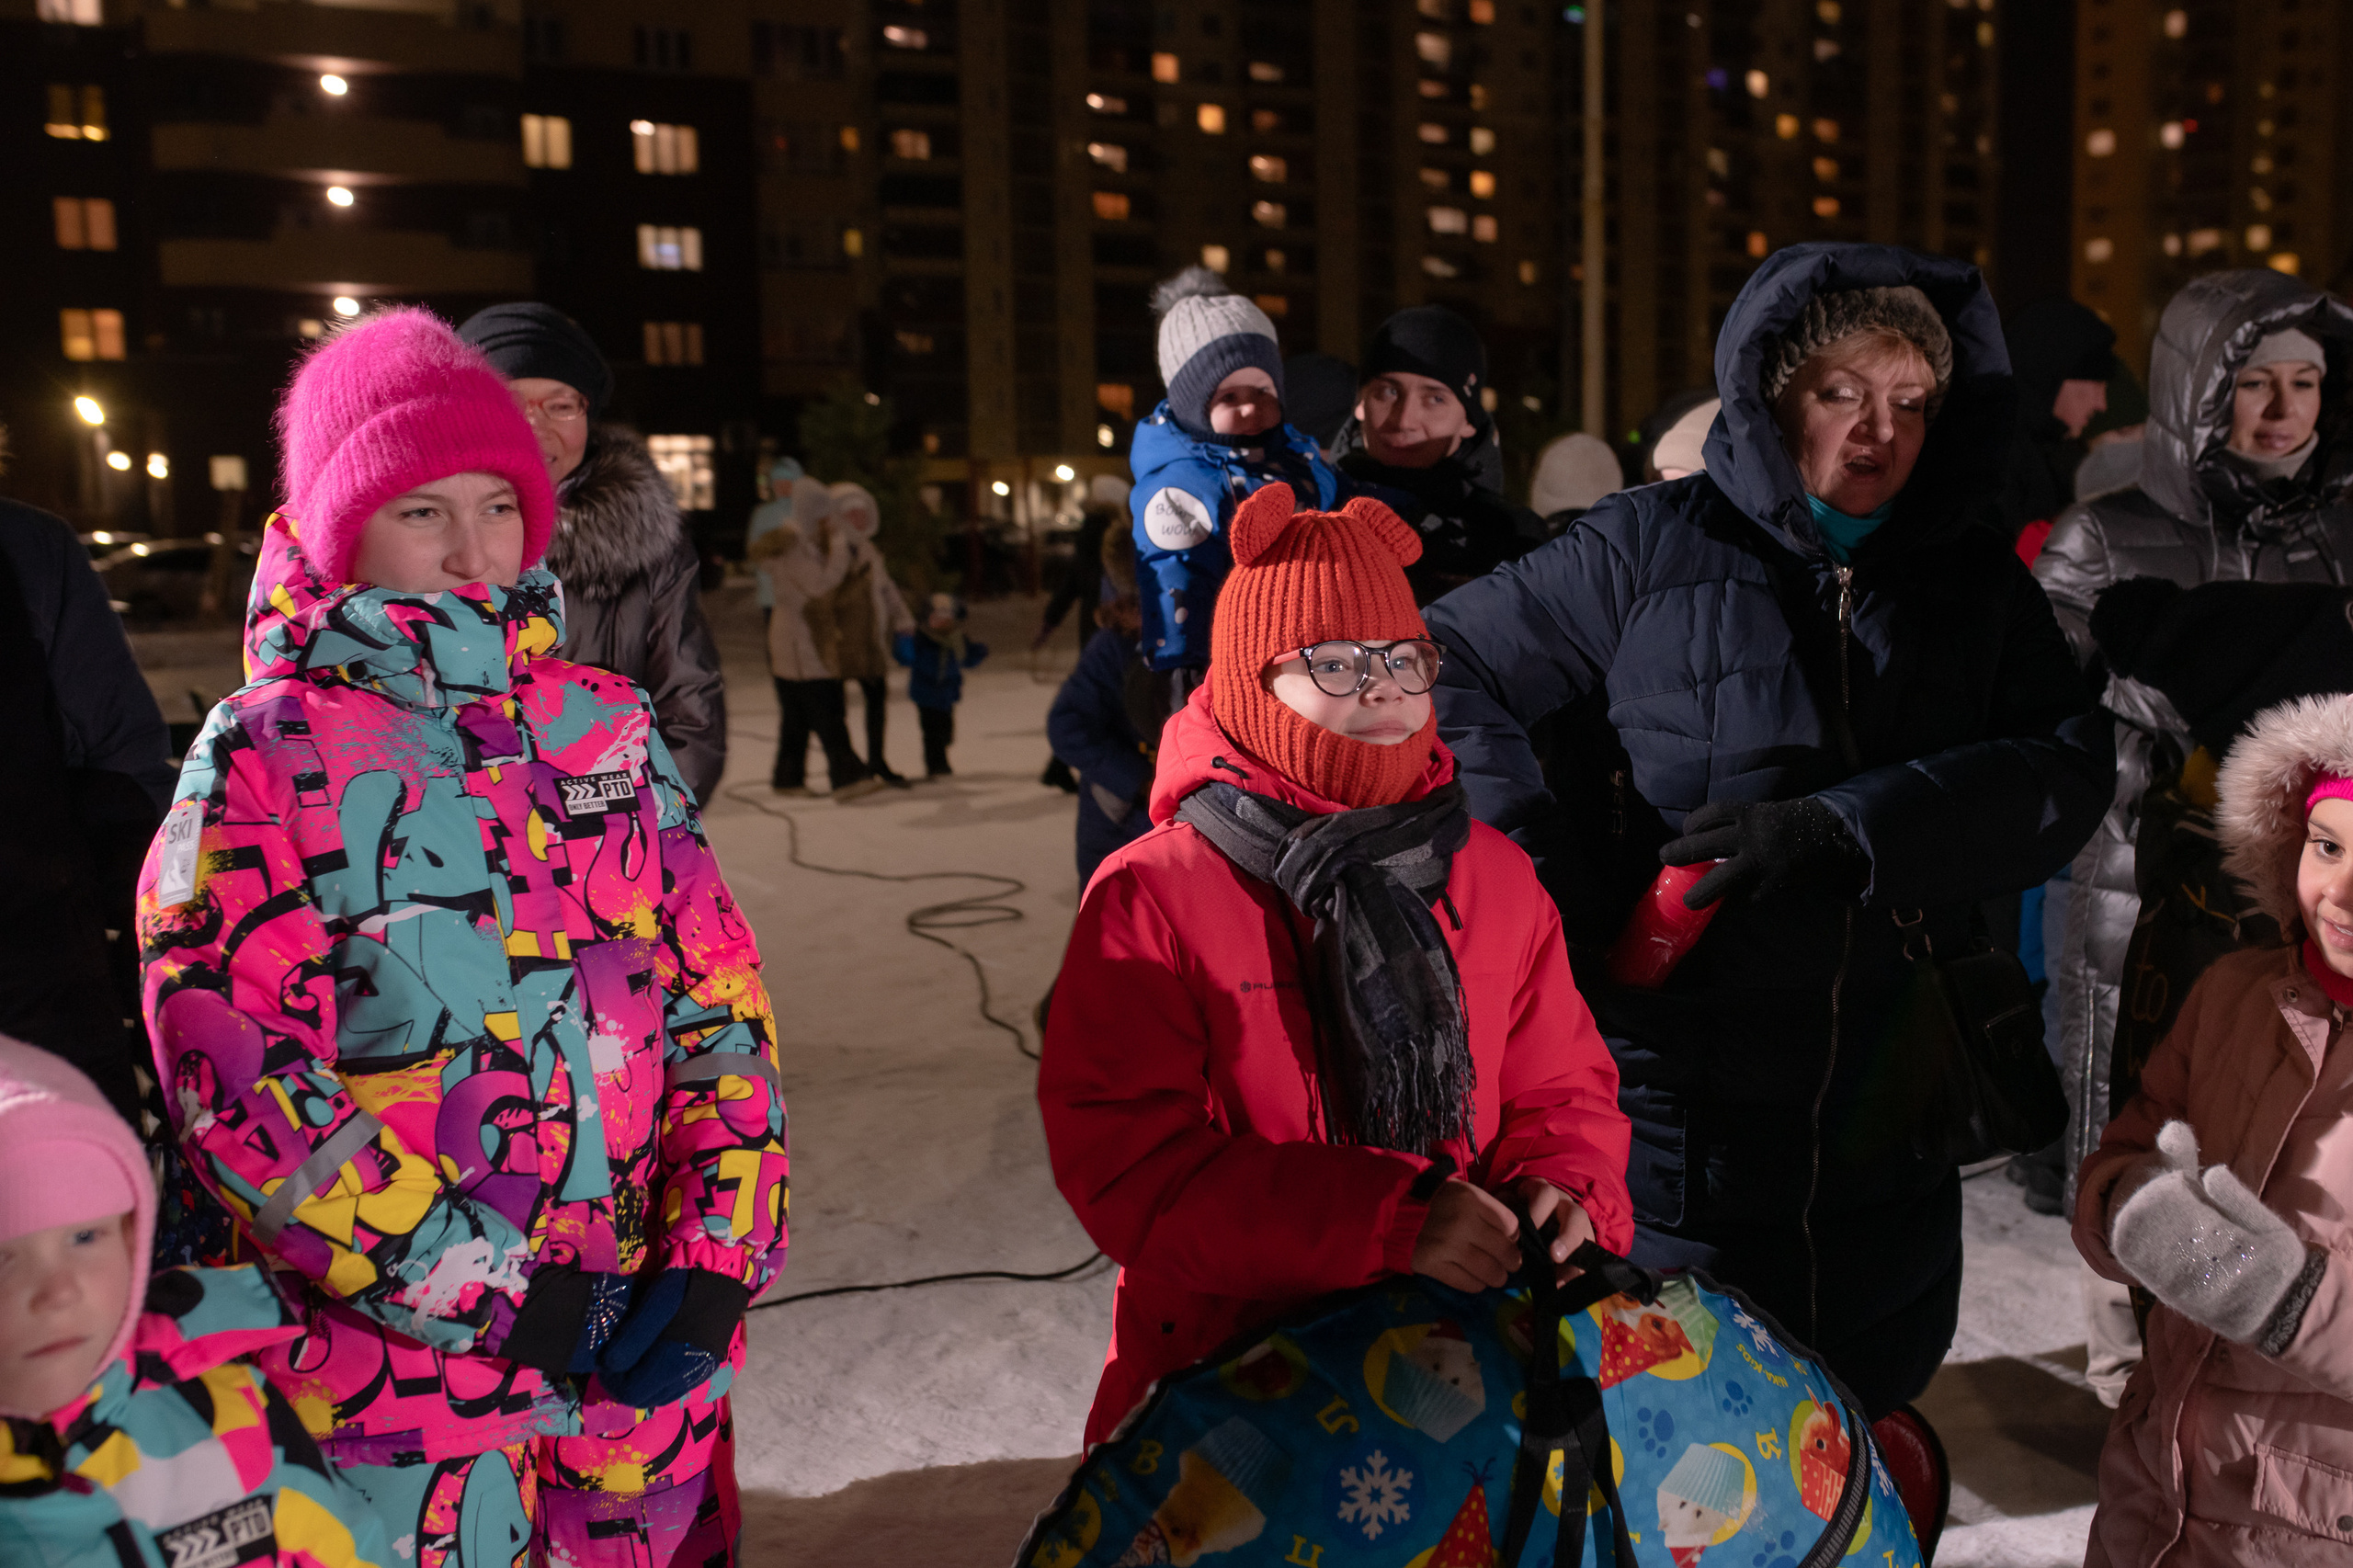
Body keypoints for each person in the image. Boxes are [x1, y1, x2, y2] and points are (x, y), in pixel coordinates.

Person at [1422, 244, 2110, 1444]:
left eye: (1910, 400)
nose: (1876, 429)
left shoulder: (1969, 582)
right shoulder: (1648, 544)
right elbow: (1444, 666)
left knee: (1857, 1430)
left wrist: (1851, 829)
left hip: (1891, 1095)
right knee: (1675, 1446)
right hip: (1684, 1106)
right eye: (1841, 390)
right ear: (1771, 392)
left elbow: (2068, 763)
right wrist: (1550, 891)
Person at [136, 310, 790, 1566]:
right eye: (420, 509)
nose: (471, 545)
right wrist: (493, 1292)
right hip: (401, 1397)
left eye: (496, 502)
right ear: (341, 526)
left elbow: (715, 996)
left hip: (636, 1359)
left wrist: (717, 1249)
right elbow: (242, 1083)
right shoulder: (264, 753)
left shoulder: (602, 723)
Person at [1039, 483, 1632, 1447]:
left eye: (1404, 657)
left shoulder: (1497, 877)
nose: (1385, 686)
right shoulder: (1154, 892)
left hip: (1462, 1370)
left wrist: (1565, 1189)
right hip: (1232, 1396)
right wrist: (1384, 1223)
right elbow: (1129, 1165)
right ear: (1247, 683)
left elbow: (1564, 1090)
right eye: (1336, 661)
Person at [2033, 269, 2353, 1404]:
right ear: (2193, 391)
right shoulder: (2109, 537)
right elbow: (2035, 727)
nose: (2279, 410)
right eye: (2252, 383)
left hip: (2320, 906)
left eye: (2303, 383)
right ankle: (2134, 1376)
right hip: (2146, 896)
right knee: (2147, 1118)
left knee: (2310, 1140)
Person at [2073, 691, 2353, 1566]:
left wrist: (2283, 1296)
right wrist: (2126, 1203)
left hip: (2309, 1524)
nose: (2342, 892)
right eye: (2328, 846)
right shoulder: (2236, 993)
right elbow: (2136, 1139)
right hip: (2155, 1493)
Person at [0, 1035, 392, 1568]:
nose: (59, 1291)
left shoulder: (229, 1412)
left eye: (86, 1237)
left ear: (132, 1239)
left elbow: (351, 1548)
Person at [457, 302, 726, 806]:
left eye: (561, 406)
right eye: (511, 404)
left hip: (605, 845)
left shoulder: (648, 540)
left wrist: (637, 829)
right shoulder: (414, 536)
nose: (537, 429)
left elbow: (690, 711)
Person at [0, 494, 173, 1125]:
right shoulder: (25, 547)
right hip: (42, 1012)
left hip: (43, 1009)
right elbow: (123, 780)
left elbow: (122, 790)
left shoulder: (25, 549)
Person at [1129, 267, 1341, 676]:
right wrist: (1187, 680)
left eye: (1262, 390)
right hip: (1230, 669)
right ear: (1194, 407)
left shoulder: (1299, 459)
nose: (1250, 407)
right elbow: (1179, 587)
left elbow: (1349, 503)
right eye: (1229, 396)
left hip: (1315, 658)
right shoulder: (1181, 490)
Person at [1333, 305, 1546, 603]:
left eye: (1434, 398)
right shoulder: (1312, 510)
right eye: (1387, 392)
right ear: (1360, 403)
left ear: (1469, 420)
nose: (1404, 419)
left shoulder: (1513, 538)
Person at [750, 477, 882, 800]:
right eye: (824, 514)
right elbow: (819, 586)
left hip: (794, 640)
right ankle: (848, 777)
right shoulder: (794, 545)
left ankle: (788, 778)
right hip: (800, 643)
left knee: (796, 716)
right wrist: (839, 551)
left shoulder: (799, 541)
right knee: (827, 709)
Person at [1044, 527, 1159, 889]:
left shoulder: (1180, 649)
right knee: (1110, 930)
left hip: (1159, 824)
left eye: (1145, 605)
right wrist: (1136, 780)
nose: (1137, 616)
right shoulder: (1110, 650)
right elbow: (1066, 725)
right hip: (1114, 820)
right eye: (1128, 606)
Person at [1993, 298, 2120, 566]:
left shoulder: (2036, 449)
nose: (2101, 403)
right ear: (2051, 378)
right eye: (2095, 384)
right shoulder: (1998, 459)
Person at [824, 481, 915, 788]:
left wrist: (902, 616)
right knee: (836, 706)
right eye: (851, 514)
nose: (858, 520)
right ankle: (849, 764)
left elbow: (885, 586)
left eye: (862, 514)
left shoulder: (867, 548)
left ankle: (876, 759)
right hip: (843, 639)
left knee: (875, 701)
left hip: (869, 638)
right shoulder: (834, 547)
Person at [895, 594, 989, 779]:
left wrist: (978, 652)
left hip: (947, 693)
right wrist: (903, 641)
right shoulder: (921, 639)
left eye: (947, 619)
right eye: (938, 619)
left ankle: (940, 758)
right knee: (931, 732)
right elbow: (906, 656)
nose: (943, 623)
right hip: (926, 694)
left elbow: (967, 659)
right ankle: (937, 766)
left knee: (946, 733)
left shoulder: (957, 639)